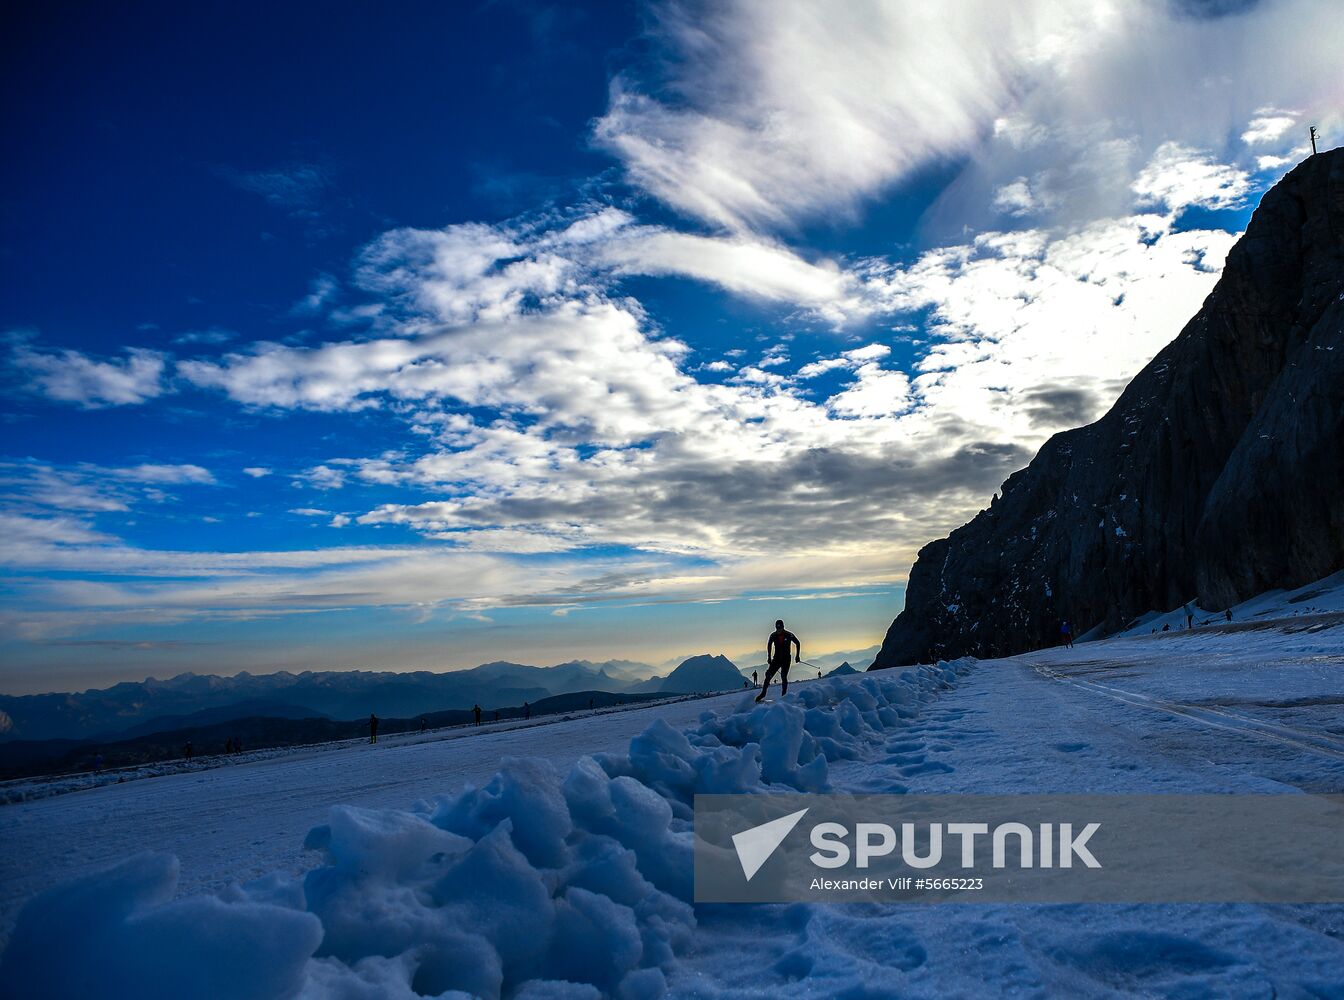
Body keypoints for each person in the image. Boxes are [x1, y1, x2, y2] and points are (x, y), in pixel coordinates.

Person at [756, 619, 800, 703]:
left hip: (786, 659)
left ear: (783, 627)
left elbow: (797, 643)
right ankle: (763, 694)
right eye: (777, 628)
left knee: (783, 676)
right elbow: (769, 645)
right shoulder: (773, 635)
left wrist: (797, 656)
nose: (779, 630)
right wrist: (769, 657)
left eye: (780, 628)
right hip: (776, 659)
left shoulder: (789, 635)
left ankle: (784, 696)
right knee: (768, 675)